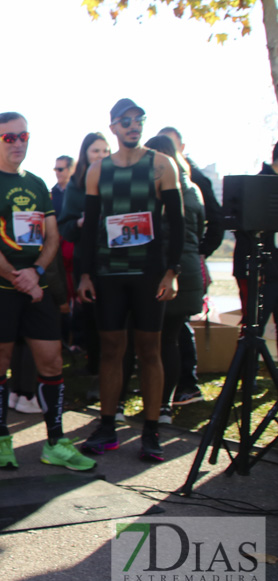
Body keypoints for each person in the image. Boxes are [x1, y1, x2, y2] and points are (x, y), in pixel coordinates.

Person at [0, 111, 96, 472]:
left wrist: (35, 272)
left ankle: (55, 440)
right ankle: (2, 439)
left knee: (52, 360)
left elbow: (52, 236)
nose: (18, 142)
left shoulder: (38, 183)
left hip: (37, 286)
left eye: (23, 136)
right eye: (9, 137)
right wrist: (15, 276)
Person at [77, 99, 183, 462]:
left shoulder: (160, 164)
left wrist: (173, 272)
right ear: (113, 127)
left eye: (139, 120)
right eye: (126, 121)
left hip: (148, 272)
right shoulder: (97, 170)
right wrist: (84, 274)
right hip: (108, 274)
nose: (133, 126)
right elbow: (90, 226)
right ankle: (107, 425)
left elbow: (178, 223)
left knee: (150, 351)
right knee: (110, 351)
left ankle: (151, 432)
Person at [143, 135, 205, 424]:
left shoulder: (161, 187)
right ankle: (165, 405)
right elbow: (201, 230)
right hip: (190, 270)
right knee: (171, 340)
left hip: (166, 271)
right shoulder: (193, 188)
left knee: (155, 343)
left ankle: (157, 404)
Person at [58, 133, 112, 396]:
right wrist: (80, 223)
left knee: (112, 320)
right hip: (86, 261)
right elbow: (65, 227)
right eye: (95, 151)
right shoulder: (75, 186)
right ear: (85, 154)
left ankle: (109, 375)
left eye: (105, 151)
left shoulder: (119, 180)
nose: (101, 156)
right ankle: (93, 367)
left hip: (116, 261)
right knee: (89, 317)